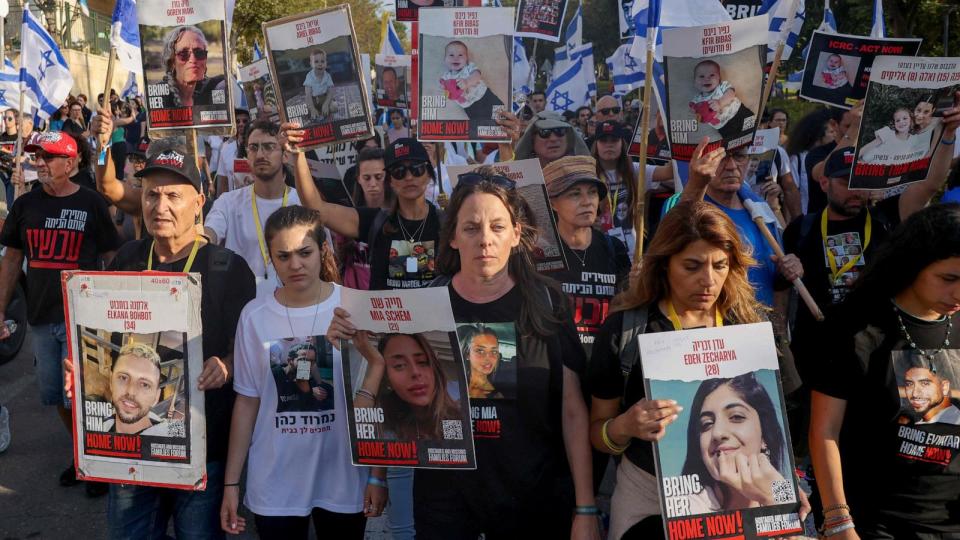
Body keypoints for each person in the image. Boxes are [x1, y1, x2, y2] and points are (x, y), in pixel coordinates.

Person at [327, 166, 600, 539]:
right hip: (445, 502)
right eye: (471, 228)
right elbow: (391, 402)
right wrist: (347, 343)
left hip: (533, 499)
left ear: (517, 234)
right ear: (453, 237)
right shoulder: (421, 308)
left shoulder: (548, 302)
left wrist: (585, 507)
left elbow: (572, 411)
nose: (484, 240)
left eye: (497, 227)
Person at [589, 201, 807, 539]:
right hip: (648, 498)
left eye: (720, 265)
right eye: (692, 266)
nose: (708, 280)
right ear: (664, 265)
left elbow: (789, 422)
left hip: (753, 504)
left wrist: (783, 490)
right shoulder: (626, 330)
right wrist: (625, 425)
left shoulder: (757, 328)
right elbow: (597, 434)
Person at [93, 139, 255, 539]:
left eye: (172, 195)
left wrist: (227, 366)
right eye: (151, 195)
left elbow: (247, 353)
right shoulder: (128, 258)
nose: (159, 206)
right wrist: (82, 370)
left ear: (199, 201)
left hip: (204, 448)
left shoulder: (228, 269)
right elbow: (101, 336)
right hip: (133, 446)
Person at [222, 204, 379, 539]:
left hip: (343, 479)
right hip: (275, 482)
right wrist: (231, 483)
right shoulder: (254, 316)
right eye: (283, 256)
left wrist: (377, 475)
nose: (295, 265)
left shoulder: (355, 307)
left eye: (305, 252)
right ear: (271, 258)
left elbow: (376, 400)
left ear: (323, 250)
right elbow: (247, 402)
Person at [809, 204, 960, 539]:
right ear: (913, 265)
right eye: (948, 278)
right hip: (876, 522)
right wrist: (838, 520)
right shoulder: (856, 329)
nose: (958, 293)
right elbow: (824, 432)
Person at [0, 130, 121, 495]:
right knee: (55, 395)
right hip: (41, 317)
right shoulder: (25, 205)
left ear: (70, 163)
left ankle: (95, 460)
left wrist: (114, 310)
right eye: (37, 156)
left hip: (82, 318)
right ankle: (82, 451)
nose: (40, 163)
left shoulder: (91, 203)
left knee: (85, 394)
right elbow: (12, 259)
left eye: (48, 157)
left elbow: (112, 257)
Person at [292, 132, 442, 291]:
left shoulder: (447, 224)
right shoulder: (375, 221)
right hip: (382, 315)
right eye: (399, 171)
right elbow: (317, 209)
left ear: (429, 175)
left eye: (417, 169)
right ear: (390, 180)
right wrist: (298, 153)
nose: (409, 177)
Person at [205, 120, 304, 297]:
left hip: (292, 306)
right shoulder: (228, 202)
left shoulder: (302, 203)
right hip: (241, 307)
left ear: (284, 154)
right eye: (253, 147)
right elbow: (210, 232)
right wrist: (199, 240)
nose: (260, 154)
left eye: (269, 147)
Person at [543, 155, 630, 356]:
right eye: (574, 194)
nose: (586, 202)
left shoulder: (614, 248)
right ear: (553, 203)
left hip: (604, 363)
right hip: (556, 365)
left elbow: (626, 307)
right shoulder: (539, 252)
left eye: (592, 193)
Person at [680, 373, 795, 514]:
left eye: (736, 417)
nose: (717, 433)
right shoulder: (687, 506)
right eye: (707, 424)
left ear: (764, 434)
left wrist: (776, 499)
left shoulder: (785, 488)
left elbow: (794, 527)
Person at [350, 333, 462, 440]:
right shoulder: (385, 420)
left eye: (422, 362)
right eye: (399, 365)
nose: (415, 372)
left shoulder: (456, 405)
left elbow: (458, 450)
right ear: (387, 378)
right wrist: (376, 364)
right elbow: (351, 438)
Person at [591, 121, 673, 259]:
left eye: (614, 140)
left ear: (622, 143)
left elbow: (669, 172)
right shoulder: (587, 172)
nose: (609, 144)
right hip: (598, 248)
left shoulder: (635, 170)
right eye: (603, 140)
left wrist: (670, 139)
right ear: (596, 145)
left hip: (633, 251)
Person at [102, 343, 169, 436]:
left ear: (156, 397)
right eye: (123, 378)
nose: (131, 391)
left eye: (145, 384)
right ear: (111, 382)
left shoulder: (171, 437)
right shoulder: (100, 424)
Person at [438, 41, 504, 128]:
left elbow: (477, 75)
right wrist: (444, 87)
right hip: (469, 105)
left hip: (484, 95)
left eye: (460, 55)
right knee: (480, 124)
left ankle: (502, 125)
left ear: (467, 59)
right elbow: (444, 88)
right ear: (445, 59)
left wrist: (467, 82)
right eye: (451, 55)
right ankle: (490, 130)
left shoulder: (468, 67)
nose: (456, 58)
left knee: (500, 110)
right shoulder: (446, 76)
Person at [159, 25, 226, 108]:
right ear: (172, 62)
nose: (193, 60)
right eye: (183, 54)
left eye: (199, 53)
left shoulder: (215, 88)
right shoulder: (160, 96)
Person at [688, 60, 755, 141]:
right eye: (701, 76)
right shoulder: (697, 99)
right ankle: (740, 150)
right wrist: (694, 111)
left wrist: (720, 102)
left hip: (740, 113)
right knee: (733, 142)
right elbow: (694, 110)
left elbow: (731, 94)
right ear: (695, 82)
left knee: (754, 129)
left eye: (712, 75)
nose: (707, 79)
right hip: (724, 127)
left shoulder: (722, 86)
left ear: (719, 78)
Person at [786, 108, 837, 215]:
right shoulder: (797, 158)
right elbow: (791, 190)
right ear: (818, 134)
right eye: (831, 132)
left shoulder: (830, 154)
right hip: (807, 216)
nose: (835, 135)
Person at [514, 110, 591, 167]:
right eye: (544, 132)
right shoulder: (520, 176)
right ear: (532, 138)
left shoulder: (581, 174)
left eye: (560, 131)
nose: (553, 138)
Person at [898, 358, 960, 425]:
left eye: (925, 383)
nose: (915, 394)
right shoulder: (911, 420)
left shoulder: (953, 423)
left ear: (944, 387)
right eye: (909, 384)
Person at [459, 324, 505, 399]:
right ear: (467, 354)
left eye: (494, 351)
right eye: (480, 350)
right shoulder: (456, 387)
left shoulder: (499, 394)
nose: (488, 357)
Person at [215, 109, 252, 195]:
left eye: (245, 121)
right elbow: (222, 181)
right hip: (235, 202)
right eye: (237, 121)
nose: (241, 124)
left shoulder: (259, 147)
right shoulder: (226, 148)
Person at [304, 49, 336, 120]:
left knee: (334, 107)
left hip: (324, 98)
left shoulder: (327, 76)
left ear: (326, 63)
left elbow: (330, 92)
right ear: (311, 64)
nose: (320, 64)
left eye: (322, 61)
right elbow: (308, 95)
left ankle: (322, 109)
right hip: (313, 99)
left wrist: (326, 104)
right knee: (305, 111)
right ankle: (316, 111)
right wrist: (312, 108)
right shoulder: (309, 76)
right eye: (316, 62)